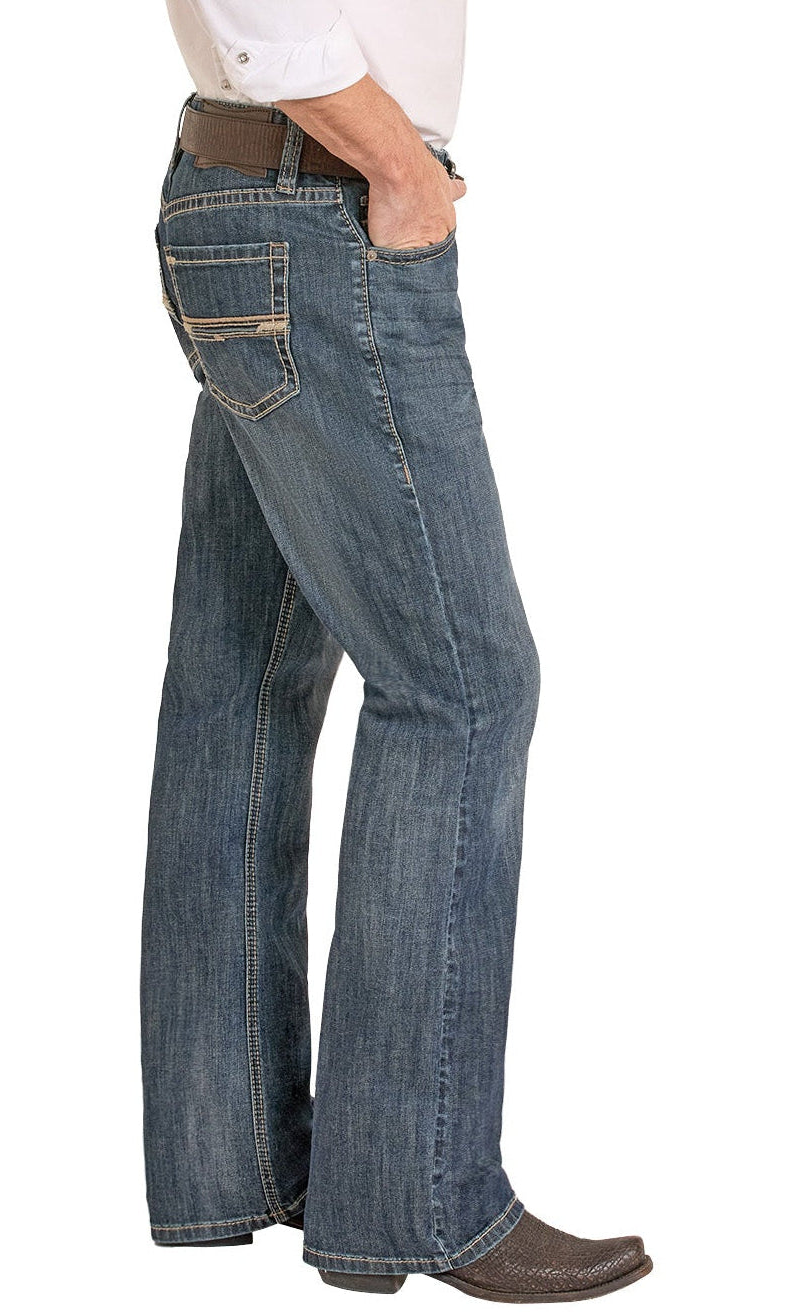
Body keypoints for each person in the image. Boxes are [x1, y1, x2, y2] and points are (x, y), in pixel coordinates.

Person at [141, 2, 652, 1301]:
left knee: (241, 689)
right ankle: (421, 1200)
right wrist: (400, 167)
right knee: (465, 691)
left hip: (258, 194)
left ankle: (233, 1159)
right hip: (321, 206)